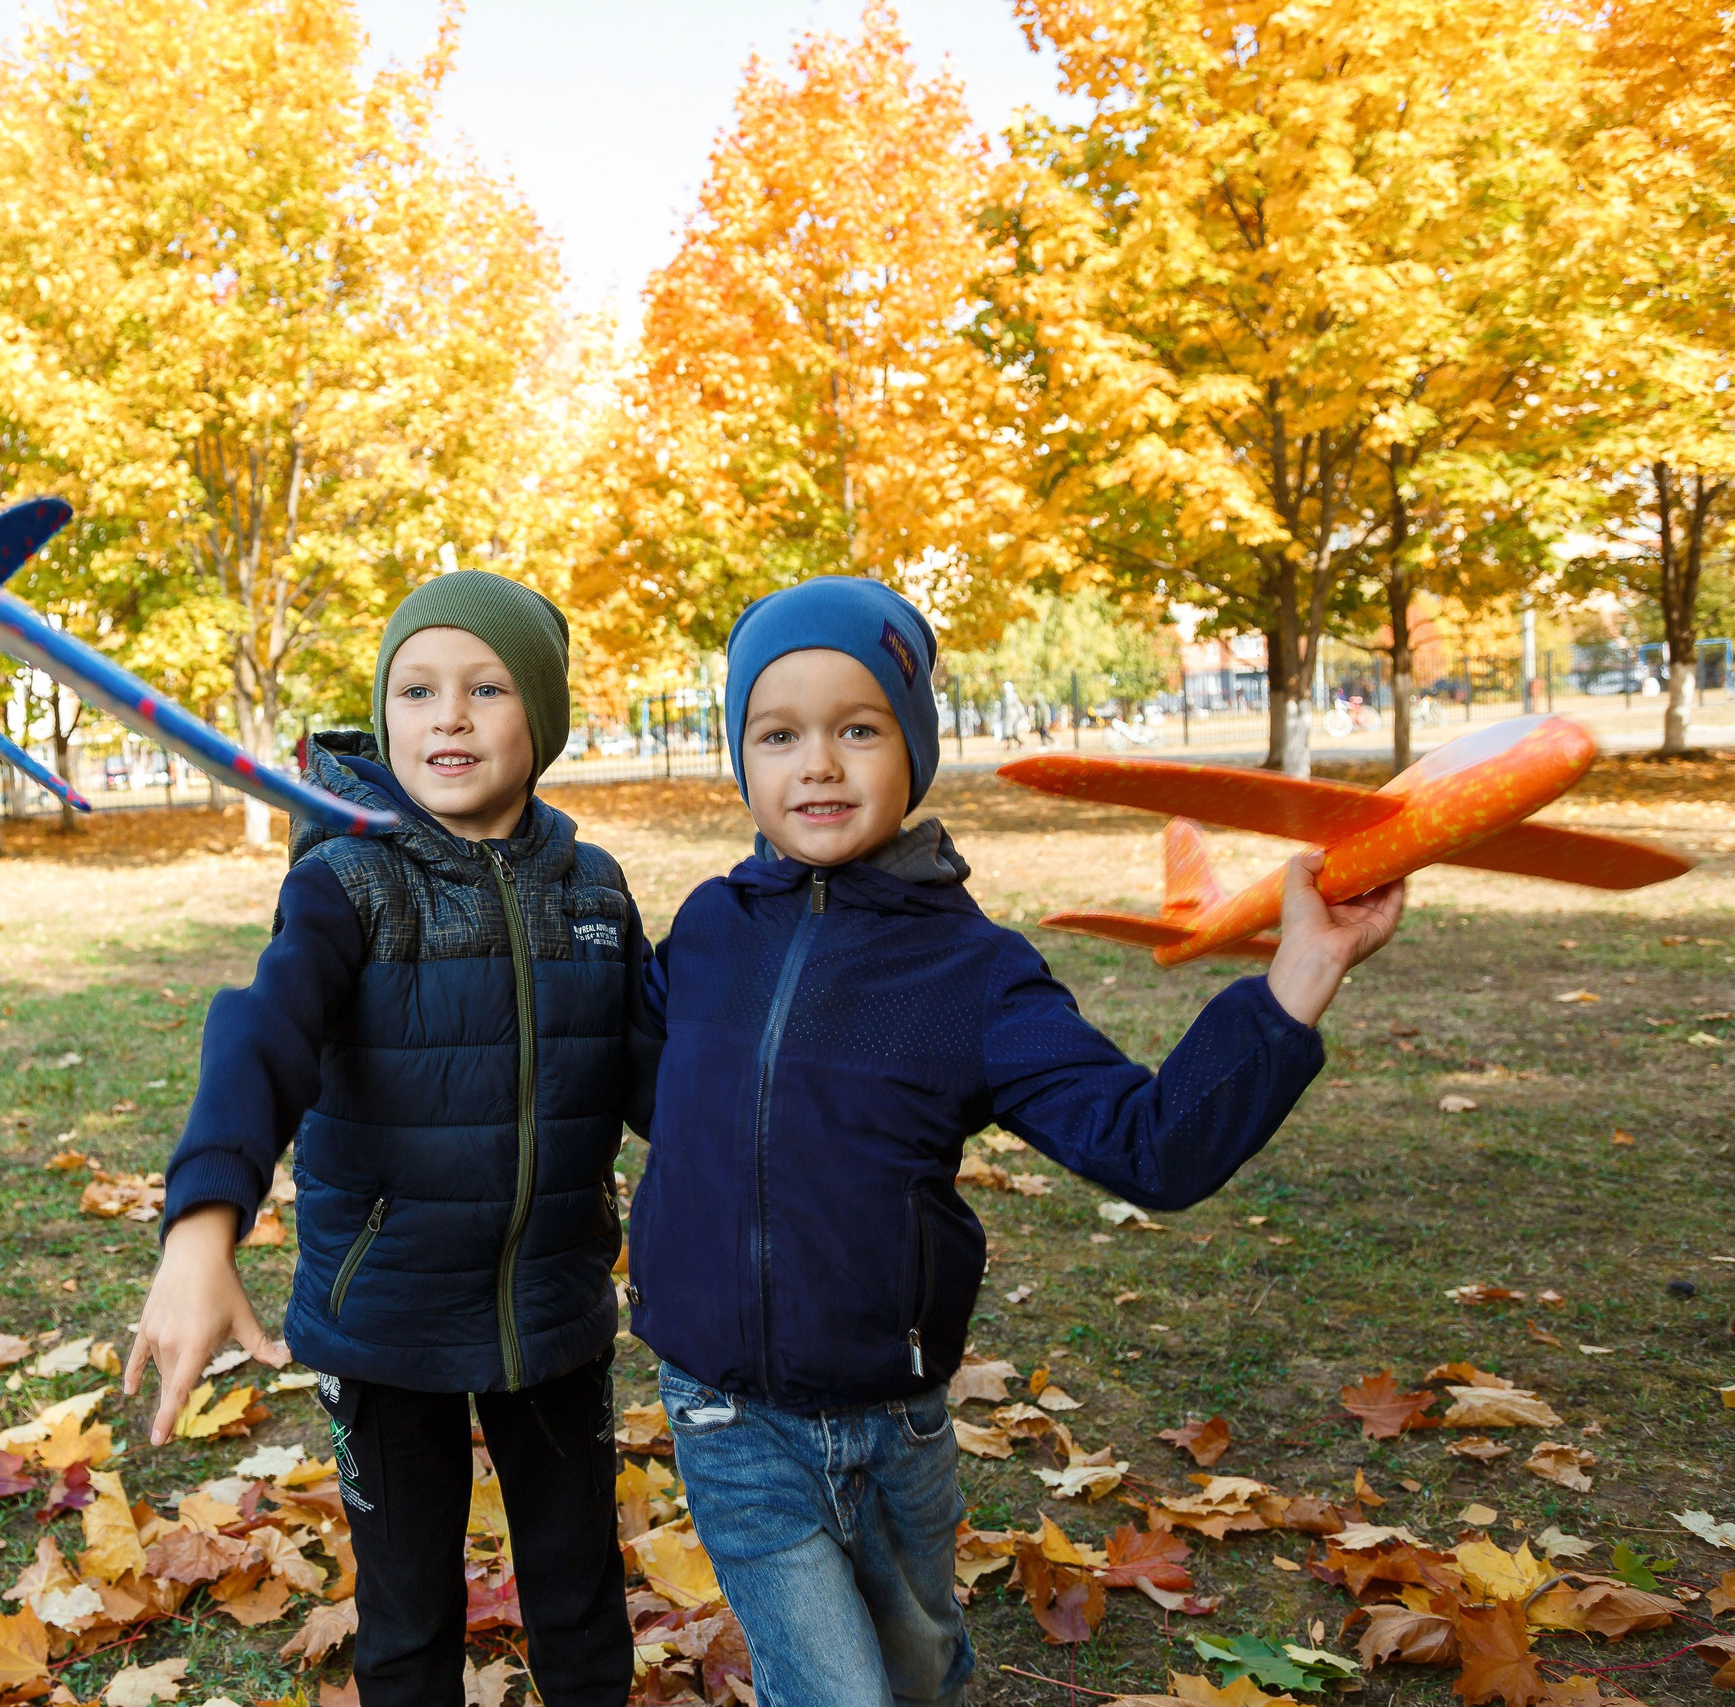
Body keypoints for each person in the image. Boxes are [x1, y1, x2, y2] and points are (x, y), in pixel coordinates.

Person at [627, 577, 1403, 1707]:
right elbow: (641, 1086)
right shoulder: (706, 928)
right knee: (837, 1692)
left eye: (858, 728)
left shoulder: (973, 974)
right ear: (739, 755)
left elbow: (1149, 1147)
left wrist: (1300, 974)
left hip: (890, 1418)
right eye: (778, 732)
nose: (819, 764)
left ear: (916, 745)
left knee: (921, 1667)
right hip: (723, 1413)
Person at [127, 571, 647, 1707]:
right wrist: (201, 1226)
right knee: (408, 1620)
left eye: (486, 687)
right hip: (384, 1326)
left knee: (580, 1599)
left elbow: (663, 1087)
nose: (446, 716)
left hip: (552, 1318)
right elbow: (261, 1036)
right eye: (414, 689)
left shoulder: (595, 891)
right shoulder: (345, 885)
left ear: (543, 718)